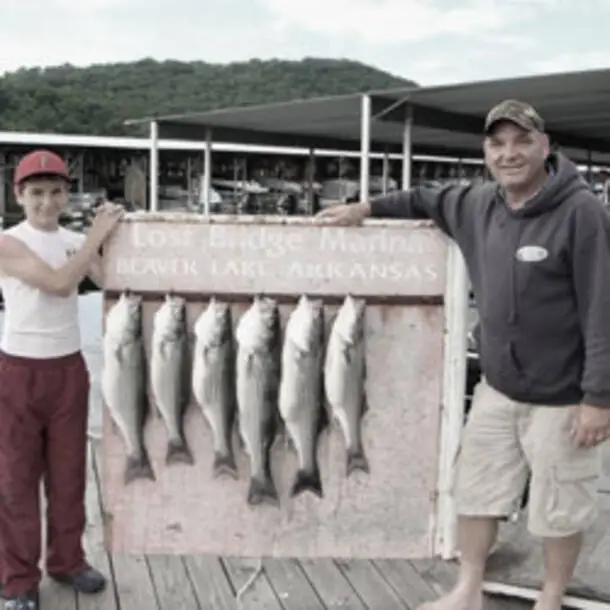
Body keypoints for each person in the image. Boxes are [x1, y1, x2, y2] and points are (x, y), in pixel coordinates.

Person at [316, 99, 610, 610]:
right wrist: (364, 209)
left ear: (545, 146)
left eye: (522, 141)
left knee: (559, 507)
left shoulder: (583, 212)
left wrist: (599, 397)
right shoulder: (475, 203)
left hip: (563, 399)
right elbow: (423, 198)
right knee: (475, 492)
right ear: (486, 153)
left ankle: (551, 598)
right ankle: (468, 588)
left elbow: (603, 308)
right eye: (498, 144)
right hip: (496, 390)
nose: (510, 153)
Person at [0, 149, 124, 610]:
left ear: (67, 193)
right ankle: (17, 580)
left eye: (55, 192)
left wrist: (114, 233)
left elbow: (113, 280)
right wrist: (94, 237)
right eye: (36, 193)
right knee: (15, 481)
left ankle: (68, 561)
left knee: (70, 477)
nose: (47, 203)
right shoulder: (8, 241)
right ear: (18, 195)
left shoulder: (76, 239)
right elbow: (56, 282)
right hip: (17, 373)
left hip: (69, 370)